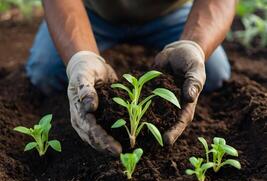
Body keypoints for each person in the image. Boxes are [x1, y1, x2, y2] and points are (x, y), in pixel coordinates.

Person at [26, 0, 237, 156]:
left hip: (170, 16)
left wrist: (194, 46)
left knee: (213, 73)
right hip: (89, 15)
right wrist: (80, 58)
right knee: (46, 73)